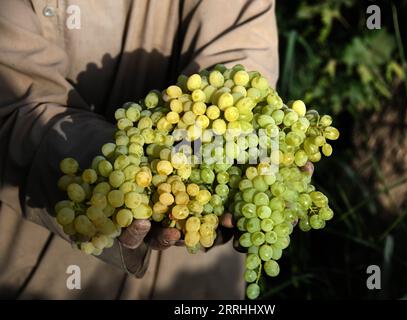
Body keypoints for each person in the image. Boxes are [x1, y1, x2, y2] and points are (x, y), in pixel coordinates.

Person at [0, 0, 279, 299]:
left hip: (194, 281)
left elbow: (242, 66)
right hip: (44, 268)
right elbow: (13, 100)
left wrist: (228, 140)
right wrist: (120, 172)